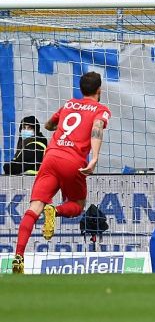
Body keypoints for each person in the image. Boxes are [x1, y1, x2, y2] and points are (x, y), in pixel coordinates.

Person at [12, 71, 111, 274]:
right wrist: (94, 157)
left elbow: (48, 125)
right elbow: (97, 127)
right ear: (99, 90)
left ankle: (18, 257)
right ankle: (55, 211)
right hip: (72, 161)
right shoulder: (101, 109)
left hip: (50, 157)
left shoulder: (68, 104)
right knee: (77, 204)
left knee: (33, 208)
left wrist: (59, 127)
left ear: (81, 89)